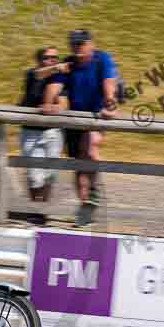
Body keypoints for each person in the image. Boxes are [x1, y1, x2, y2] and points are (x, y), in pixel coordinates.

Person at [37, 29, 118, 226]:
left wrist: (110, 104)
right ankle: (85, 211)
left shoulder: (102, 59)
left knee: (90, 146)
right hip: (74, 120)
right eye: (74, 44)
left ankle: (94, 191)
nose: (77, 48)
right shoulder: (68, 63)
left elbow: (109, 84)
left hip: (96, 116)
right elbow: (48, 82)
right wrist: (48, 103)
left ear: (91, 44)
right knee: (79, 167)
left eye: (81, 44)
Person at [18, 47, 65, 219]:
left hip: (53, 132)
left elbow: (63, 101)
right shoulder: (32, 74)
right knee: (33, 176)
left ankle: (41, 212)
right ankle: (34, 210)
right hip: (31, 131)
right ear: (39, 60)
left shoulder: (59, 78)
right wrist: (56, 68)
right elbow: (38, 75)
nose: (52, 60)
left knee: (50, 175)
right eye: (48, 57)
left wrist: (58, 106)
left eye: (55, 57)